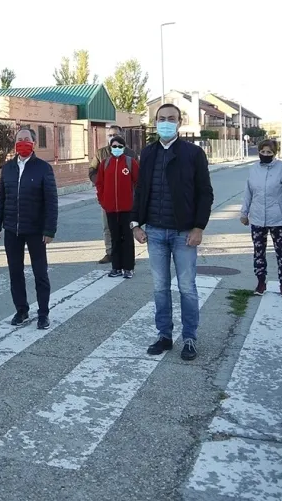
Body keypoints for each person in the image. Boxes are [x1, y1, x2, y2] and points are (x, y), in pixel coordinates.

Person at [130, 104, 214, 361]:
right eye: (161, 119)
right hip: (154, 232)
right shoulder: (148, 153)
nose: (166, 123)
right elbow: (141, 190)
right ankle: (164, 335)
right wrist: (135, 224)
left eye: (171, 119)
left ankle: (189, 338)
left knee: (187, 287)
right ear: (154, 122)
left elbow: (205, 193)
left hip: (184, 233)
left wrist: (199, 227)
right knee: (160, 287)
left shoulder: (193, 153)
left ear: (179, 122)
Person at [0, 128, 58, 330]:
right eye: (19, 139)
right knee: (15, 272)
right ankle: (21, 310)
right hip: (12, 229)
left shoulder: (43, 168)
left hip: (36, 230)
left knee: (40, 273)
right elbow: (0, 198)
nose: (22, 142)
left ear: (33, 143)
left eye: (26, 139)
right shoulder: (8, 168)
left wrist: (49, 230)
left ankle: (43, 313)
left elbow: (51, 202)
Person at [240, 140, 282, 297]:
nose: (265, 155)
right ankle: (260, 282)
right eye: (262, 152)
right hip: (257, 218)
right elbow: (248, 192)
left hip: (278, 218)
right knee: (259, 252)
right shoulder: (254, 169)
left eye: (269, 152)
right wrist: (244, 213)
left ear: (275, 153)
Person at [95, 136, 140, 278]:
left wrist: (135, 203)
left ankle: (128, 268)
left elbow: (138, 183)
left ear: (124, 148)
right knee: (115, 237)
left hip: (127, 208)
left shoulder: (130, 162)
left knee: (127, 238)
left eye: (120, 146)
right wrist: (103, 200)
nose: (117, 149)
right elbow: (100, 184)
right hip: (110, 208)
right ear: (110, 148)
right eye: (114, 146)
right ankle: (116, 267)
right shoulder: (104, 163)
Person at [90, 124, 134, 264]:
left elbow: (138, 177)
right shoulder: (101, 153)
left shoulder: (130, 154)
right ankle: (110, 253)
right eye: (110, 135)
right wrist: (102, 184)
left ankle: (126, 256)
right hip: (107, 199)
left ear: (122, 136)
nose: (113, 137)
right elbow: (92, 170)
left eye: (116, 135)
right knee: (108, 227)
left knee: (126, 228)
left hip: (126, 200)